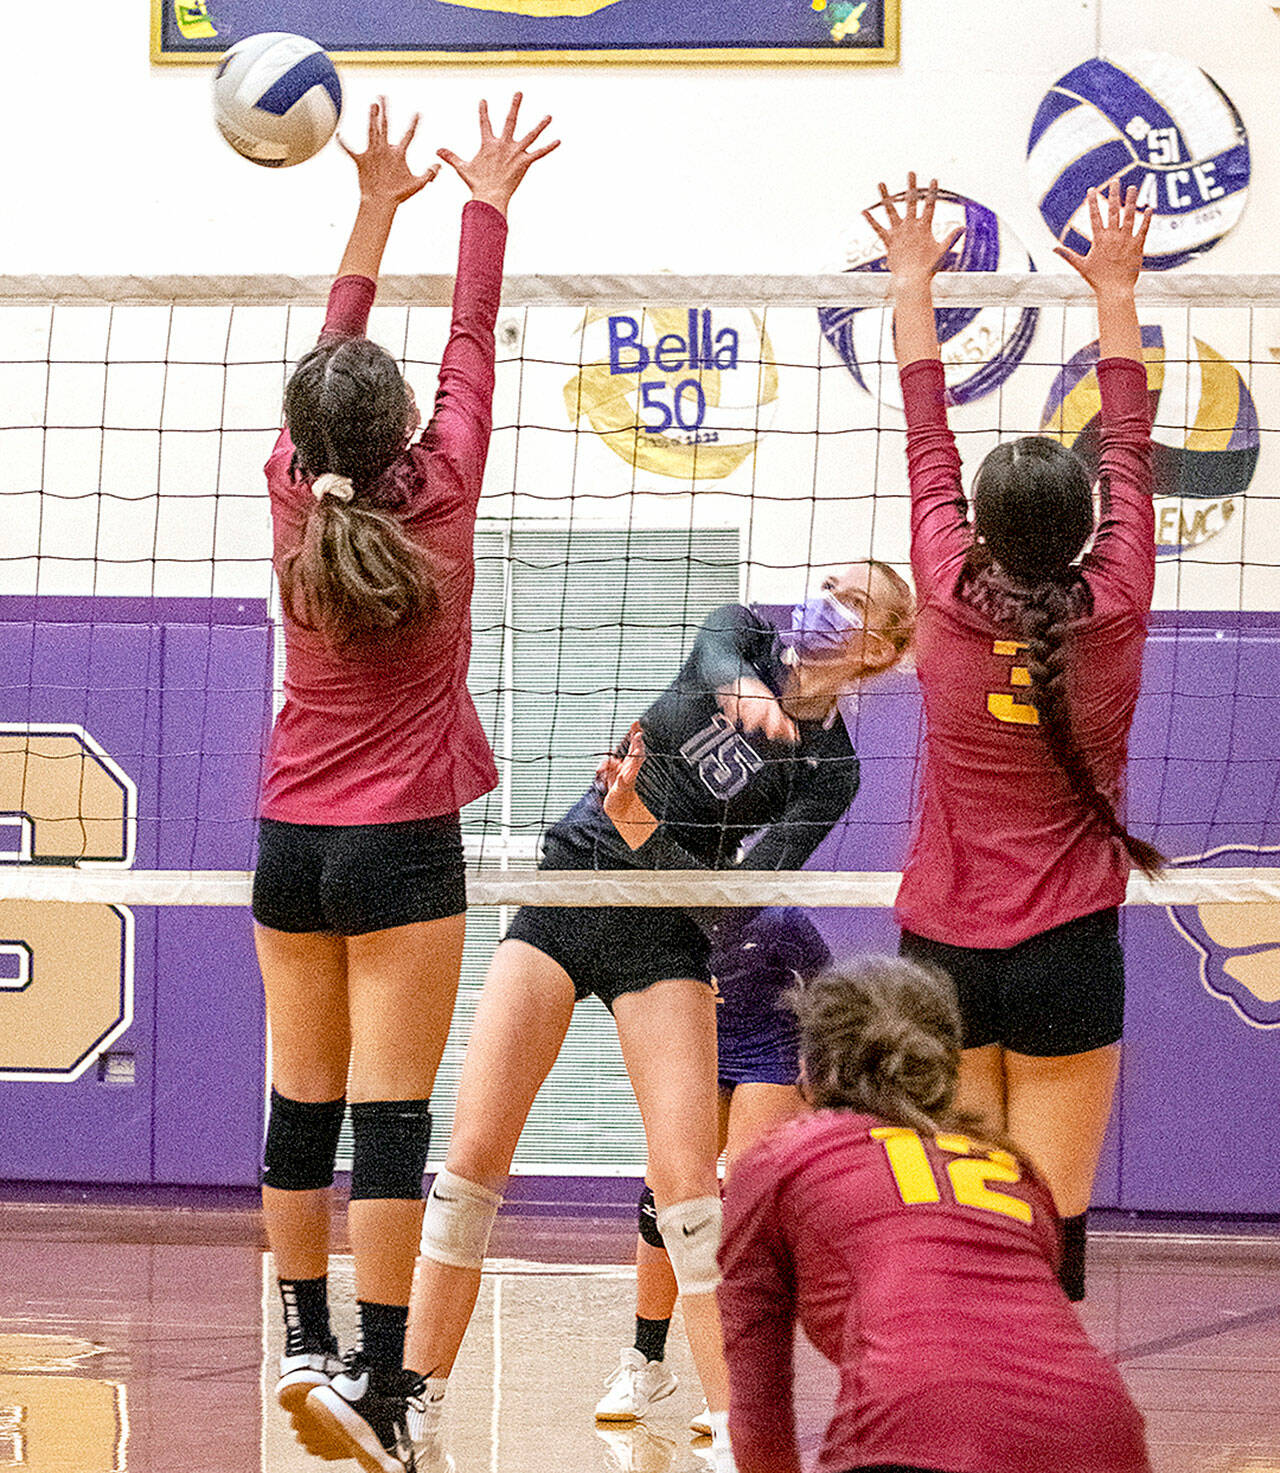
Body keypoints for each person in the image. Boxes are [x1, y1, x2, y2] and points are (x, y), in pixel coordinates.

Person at [352, 565, 912, 1473]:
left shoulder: (832, 768)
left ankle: (736, 1428)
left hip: (667, 933)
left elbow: (744, 891)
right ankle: (416, 1400)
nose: (824, 600)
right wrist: (746, 699)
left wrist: (644, 825)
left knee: (690, 1194)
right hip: (570, 890)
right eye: (827, 582)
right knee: (470, 1163)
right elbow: (719, 656)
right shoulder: (740, 632)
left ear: (879, 647)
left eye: (851, 600)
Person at [249, 93, 557, 1473]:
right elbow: (472, 342)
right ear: (404, 433)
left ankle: (302, 1343)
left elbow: (331, 360)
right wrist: (481, 206)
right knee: (388, 1123)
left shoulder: (287, 489)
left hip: (288, 840)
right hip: (400, 846)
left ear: (302, 442)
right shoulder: (442, 489)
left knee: (298, 1105)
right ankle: (379, 1386)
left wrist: (371, 208)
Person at [866, 174, 1159, 1300]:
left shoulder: (943, 590)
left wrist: (911, 279)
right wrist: (1115, 291)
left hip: (942, 952)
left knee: (960, 1234)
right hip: (1068, 952)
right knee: (1048, 1245)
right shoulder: (1116, 604)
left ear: (977, 528)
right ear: (1086, 530)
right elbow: (1126, 439)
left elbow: (925, 431)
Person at [717, 956, 1153, 1473]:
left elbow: (758, 1403)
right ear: (945, 1064)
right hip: (1101, 1428)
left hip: (920, 1422)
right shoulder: (1009, 1167)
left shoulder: (781, 1158)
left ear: (809, 1067)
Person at [594, 907, 831, 1432]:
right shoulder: (666, 916)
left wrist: (818, 1072)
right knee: (664, 1194)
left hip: (771, 1058)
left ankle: (738, 1378)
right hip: (697, 1053)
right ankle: (647, 1360)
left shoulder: (781, 919)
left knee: (740, 1207)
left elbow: (829, 994)